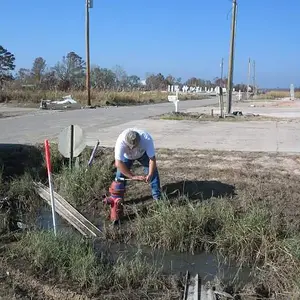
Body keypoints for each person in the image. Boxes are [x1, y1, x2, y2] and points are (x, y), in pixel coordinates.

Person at [114, 128, 161, 200]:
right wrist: (132, 176)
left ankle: (157, 197)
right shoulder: (120, 142)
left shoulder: (146, 139)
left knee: (153, 173)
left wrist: (150, 174)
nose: (132, 148)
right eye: (130, 146)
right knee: (119, 176)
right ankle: (118, 199)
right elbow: (118, 163)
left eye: (134, 146)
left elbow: (152, 159)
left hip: (142, 154)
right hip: (127, 156)